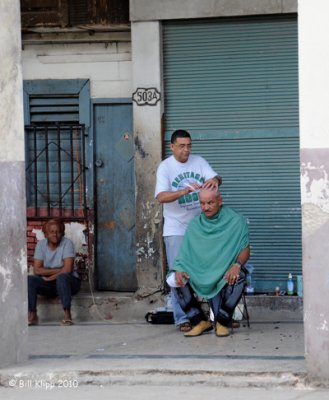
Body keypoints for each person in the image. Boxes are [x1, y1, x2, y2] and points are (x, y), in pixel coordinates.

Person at [155, 129, 222, 332]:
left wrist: (215, 181)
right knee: (178, 273)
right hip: (176, 227)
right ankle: (182, 318)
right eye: (182, 146)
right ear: (172, 146)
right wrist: (184, 191)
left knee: (209, 268)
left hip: (200, 227)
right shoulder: (165, 167)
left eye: (189, 145)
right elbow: (161, 197)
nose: (186, 150)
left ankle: (215, 315)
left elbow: (216, 177)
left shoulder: (199, 161)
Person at [169, 188, 250, 338]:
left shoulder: (236, 221)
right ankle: (198, 321)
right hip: (201, 271)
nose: (206, 207)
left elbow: (245, 250)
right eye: (202, 203)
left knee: (240, 276)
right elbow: (184, 253)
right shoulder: (195, 224)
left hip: (224, 270)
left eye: (210, 203)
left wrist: (237, 265)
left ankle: (222, 321)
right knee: (175, 278)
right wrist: (179, 269)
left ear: (220, 201)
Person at [28, 219, 81, 326]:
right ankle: (32, 314)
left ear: (62, 233)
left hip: (70, 283)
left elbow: (68, 270)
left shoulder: (67, 244)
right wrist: (58, 270)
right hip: (51, 285)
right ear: (46, 234)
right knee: (29, 280)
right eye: (51, 232)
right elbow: (37, 270)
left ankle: (67, 314)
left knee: (63, 277)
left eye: (58, 232)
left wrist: (49, 277)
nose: (55, 234)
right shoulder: (41, 245)